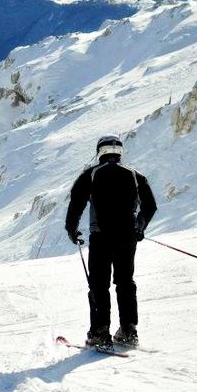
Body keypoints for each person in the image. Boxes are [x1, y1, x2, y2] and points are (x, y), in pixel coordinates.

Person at [65, 134, 157, 348]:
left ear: (100, 151)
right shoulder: (135, 175)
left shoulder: (91, 174)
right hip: (127, 237)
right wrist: (139, 226)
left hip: (101, 237)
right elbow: (150, 205)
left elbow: (76, 202)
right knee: (125, 282)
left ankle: (100, 332)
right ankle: (128, 330)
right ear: (119, 151)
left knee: (99, 285)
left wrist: (72, 230)